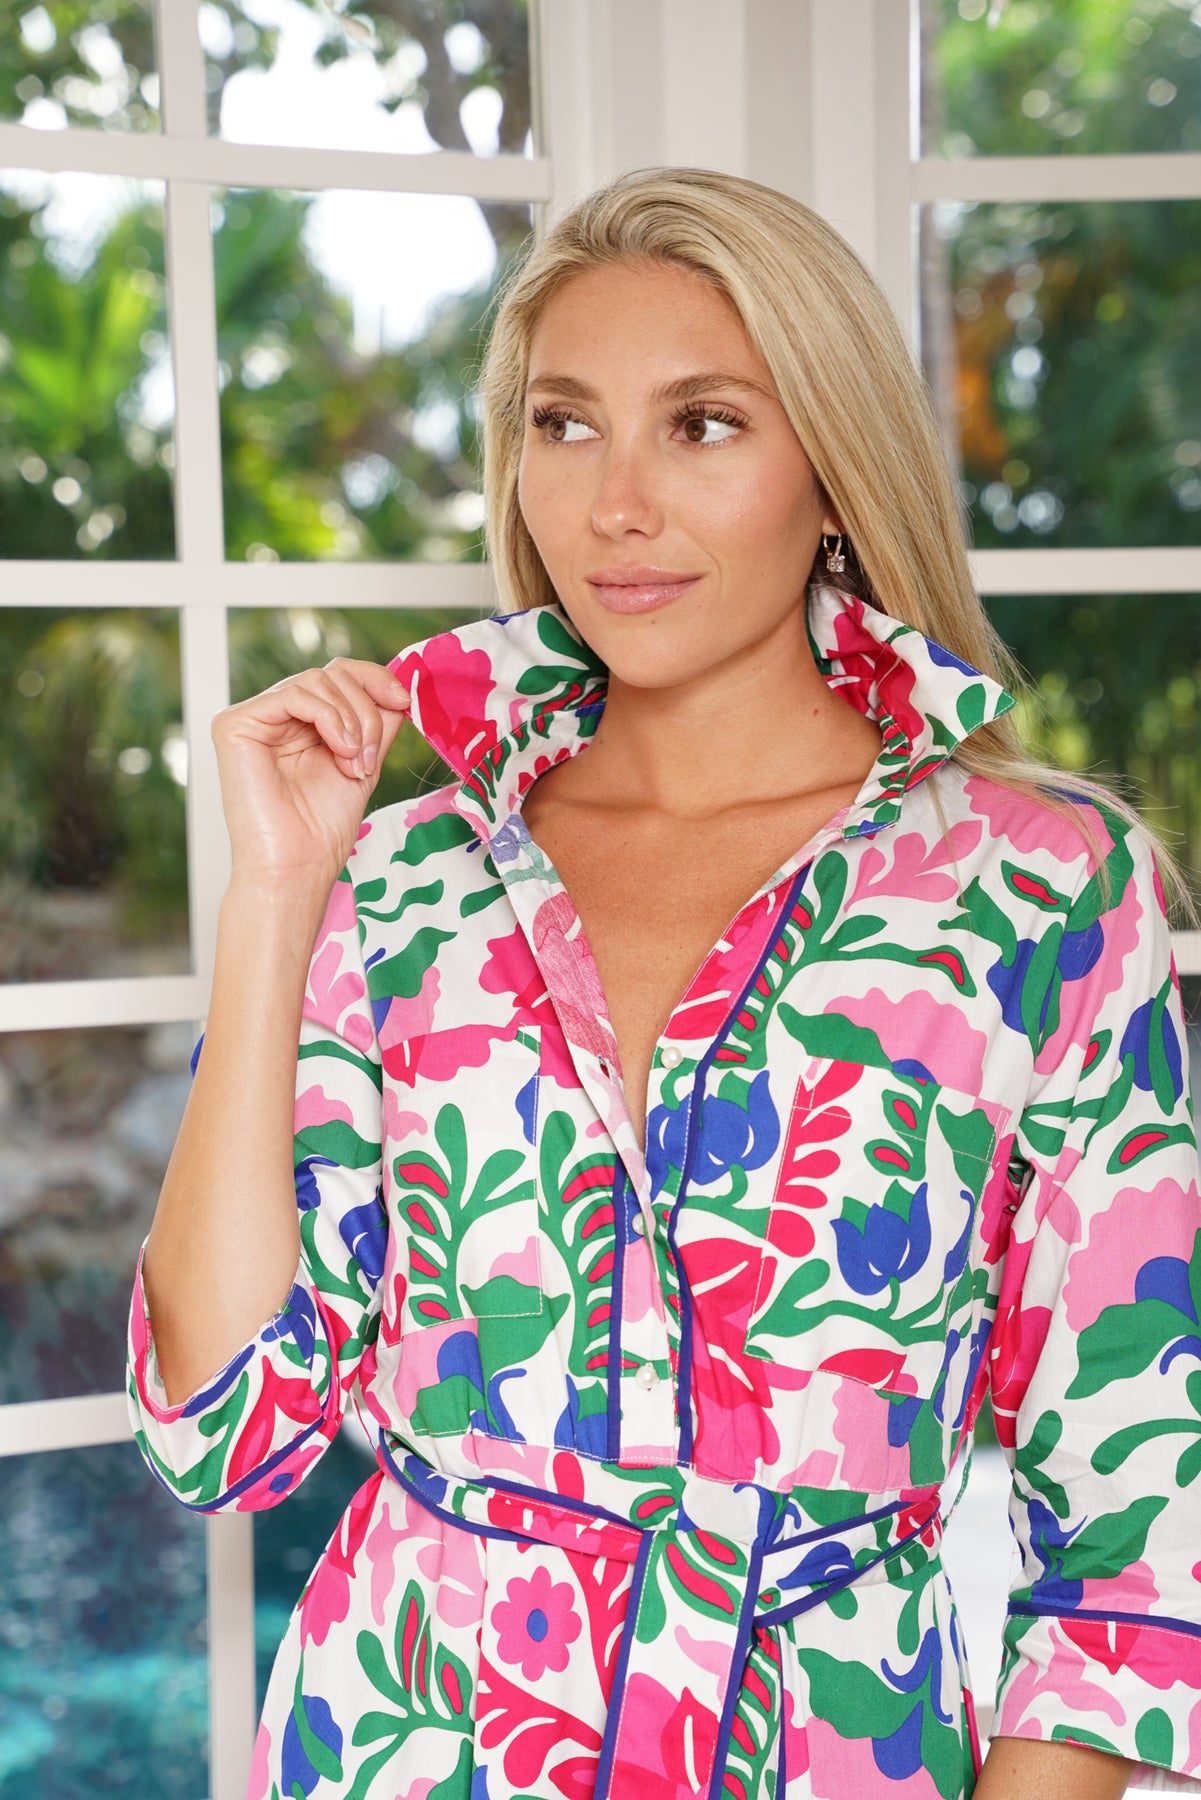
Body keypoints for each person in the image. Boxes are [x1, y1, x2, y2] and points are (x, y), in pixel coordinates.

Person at [127, 167, 1201, 1800]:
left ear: (830, 469)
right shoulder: (399, 883)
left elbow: (1134, 1519)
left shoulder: (1035, 887)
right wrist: (277, 895)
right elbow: (221, 1426)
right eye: (563, 424)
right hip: (403, 1742)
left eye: (701, 424)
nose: (614, 504)